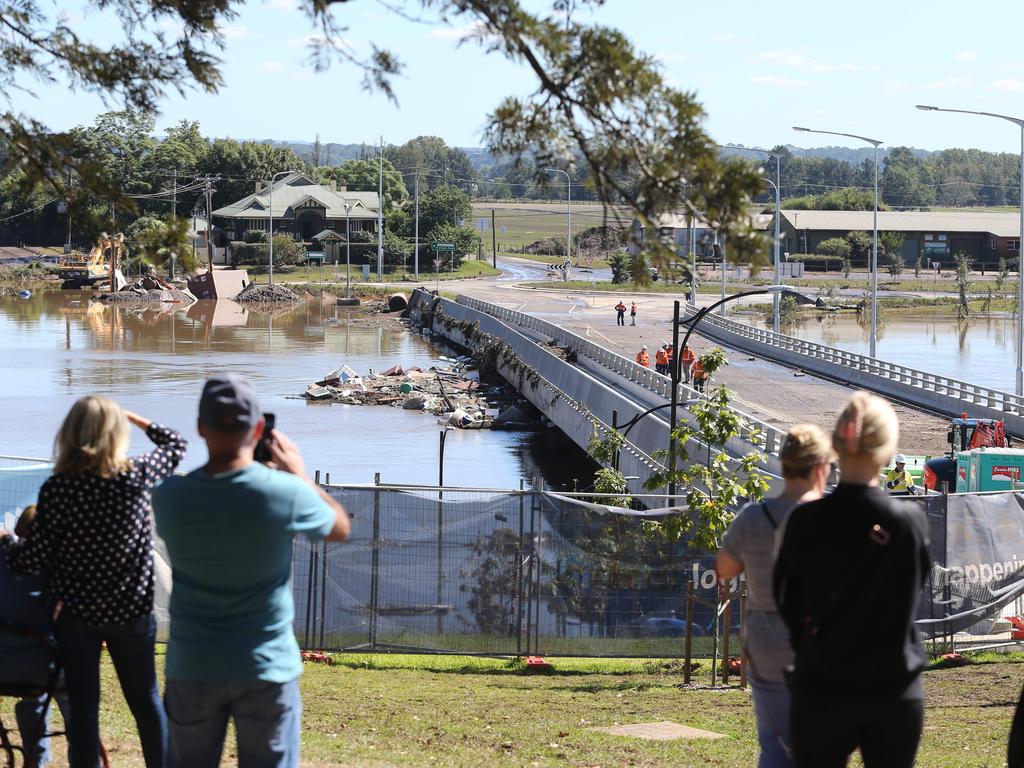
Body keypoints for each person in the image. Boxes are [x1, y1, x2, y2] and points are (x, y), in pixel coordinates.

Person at [153, 374, 350, 768]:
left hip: (193, 663)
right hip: (266, 665)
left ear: (200, 427)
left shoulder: (169, 497)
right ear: (259, 428)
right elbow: (338, 527)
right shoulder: (284, 493)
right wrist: (298, 475)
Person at [1, 397, 185, 768]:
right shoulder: (135, 475)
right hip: (131, 612)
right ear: (115, 434)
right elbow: (176, 444)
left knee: (85, 710)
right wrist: (132, 417)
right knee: (147, 703)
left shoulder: (59, 489)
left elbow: (29, 559)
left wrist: (6, 538)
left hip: (77, 616)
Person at [773, 391, 931, 768]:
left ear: (836, 449)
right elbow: (913, 590)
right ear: (888, 450)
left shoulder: (805, 520)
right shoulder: (908, 521)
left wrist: (810, 643)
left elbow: (786, 597)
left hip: (822, 681)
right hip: (894, 684)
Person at [717, 425, 834, 768]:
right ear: (821, 467)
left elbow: (724, 567)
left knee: (774, 741)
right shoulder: (834, 519)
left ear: (783, 465)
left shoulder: (754, 516)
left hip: (767, 635)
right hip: (820, 640)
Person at [0, 505, 71, 768]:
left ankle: (35, 760)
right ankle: (84, 756)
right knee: (71, 690)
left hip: (5, 668)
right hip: (46, 668)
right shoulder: (56, 570)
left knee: (33, 697)